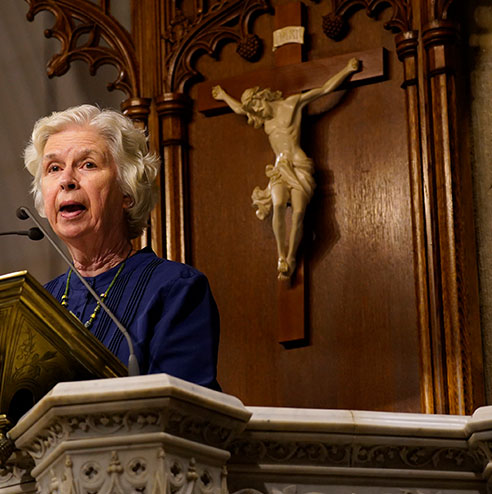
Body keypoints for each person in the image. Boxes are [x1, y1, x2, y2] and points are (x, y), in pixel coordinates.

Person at [24, 104, 220, 390]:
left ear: (127, 192)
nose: (66, 180)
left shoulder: (174, 290)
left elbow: (183, 412)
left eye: (88, 164)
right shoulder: (34, 305)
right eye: (54, 168)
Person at [212, 58, 360, 279]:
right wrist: (223, 95)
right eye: (255, 110)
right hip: (280, 168)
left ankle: (291, 256)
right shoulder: (265, 120)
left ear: (263, 96)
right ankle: (281, 256)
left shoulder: (292, 105)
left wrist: (347, 69)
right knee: (279, 203)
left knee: (299, 211)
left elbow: (324, 89)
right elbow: (240, 109)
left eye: (258, 105)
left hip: (300, 165)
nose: (259, 111)